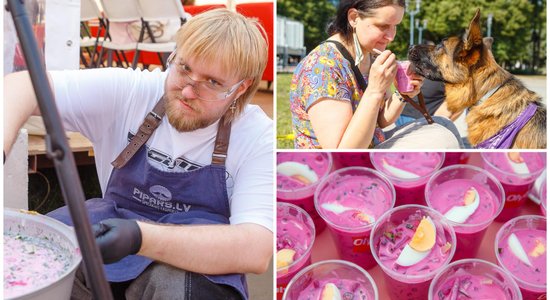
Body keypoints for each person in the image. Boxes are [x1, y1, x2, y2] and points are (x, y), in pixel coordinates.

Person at [4, 9, 272, 300]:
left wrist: (139, 237)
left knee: (177, 285)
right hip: (106, 245)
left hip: (189, 268)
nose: (188, 92)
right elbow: (21, 86)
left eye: (212, 83)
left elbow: (255, 249)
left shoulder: (258, 137)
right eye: (183, 68)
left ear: (241, 87)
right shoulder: (132, 91)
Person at [289, 0, 463, 149]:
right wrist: (374, 90)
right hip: (341, 162)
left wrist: (402, 94)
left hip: (373, 145)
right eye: (383, 26)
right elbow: (342, 150)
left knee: (444, 124)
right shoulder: (323, 67)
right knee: (443, 138)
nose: (391, 36)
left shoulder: (370, 55)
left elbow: (382, 121)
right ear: (354, 18)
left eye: (395, 26)